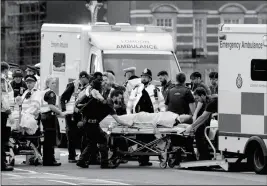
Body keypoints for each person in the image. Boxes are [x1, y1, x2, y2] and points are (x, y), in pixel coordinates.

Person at [76, 84, 132, 169]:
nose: (120, 100)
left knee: (92, 142)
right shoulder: (109, 105)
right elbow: (118, 120)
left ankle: (81, 161)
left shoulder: (105, 101)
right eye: (119, 98)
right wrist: (129, 124)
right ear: (115, 96)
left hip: (89, 124)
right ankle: (104, 163)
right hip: (93, 125)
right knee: (103, 140)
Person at [127, 68, 165, 166]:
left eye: (146, 77)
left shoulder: (155, 89)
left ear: (150, 78)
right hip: (138, 118)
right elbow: (130, 102)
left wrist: (163, 115)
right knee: (140, 138)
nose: (144, 78)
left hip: (151, 118)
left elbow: (161, 103)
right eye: (143, 76)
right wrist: (128, 115)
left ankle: (146, 158)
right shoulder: (136, 89)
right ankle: (142, 159)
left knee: (150, 138)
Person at [60, 71, 90, 163]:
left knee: (83, 134)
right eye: (83, 79)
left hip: (81, 113)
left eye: (87, 79)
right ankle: (71, 156)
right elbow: (63, 98)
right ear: (80, 78)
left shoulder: (88, 87)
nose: (85, 80)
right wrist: (66, 111)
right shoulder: (73, 85)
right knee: (71, 135)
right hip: (71, 114)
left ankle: (82, 156)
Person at [40, 77, 66, 166]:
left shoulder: (43, 92)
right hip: (49, 116)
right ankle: (50, 160)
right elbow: (51, 106)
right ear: (48, 84)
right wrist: (60, 113)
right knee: (50, 140)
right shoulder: (51, 93)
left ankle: (47, 159)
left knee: (47, 140)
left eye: (55, 83)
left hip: (44, 116)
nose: (54, 85)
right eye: (52, 83)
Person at [185, 95, 218, 161]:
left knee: (201, 139)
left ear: (202, 95)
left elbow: (203, 117)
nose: (197, 100)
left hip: (205, 124)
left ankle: (204, 158)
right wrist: (195, 126)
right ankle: (204, 157)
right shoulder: (211, 100)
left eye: (197, 98)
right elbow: (204, 118)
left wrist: (192, 126)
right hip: (205, 123)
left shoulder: (211, 102)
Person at [1, 62, 14, 171]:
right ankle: (2, 164)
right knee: (3, 139)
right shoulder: (2, 81)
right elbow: (4, 98)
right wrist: (9, 113)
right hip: (2, 113)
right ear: (5, 70)